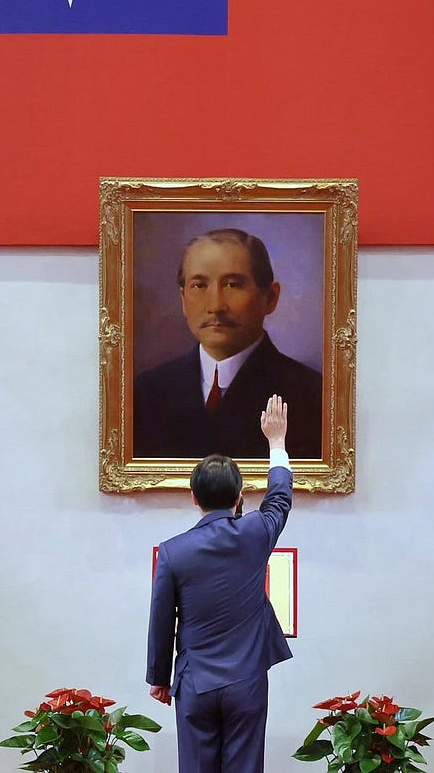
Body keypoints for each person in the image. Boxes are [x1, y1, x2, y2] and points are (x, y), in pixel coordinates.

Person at [146, 395, 293, 773]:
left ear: (193, 497)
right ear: (240, 496)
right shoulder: (255, 531)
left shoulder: (173, 551)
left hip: (195, 683)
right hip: (247, 682)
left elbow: (161, 618)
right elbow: (280, 499)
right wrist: (276, 443)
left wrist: (159, 678)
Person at [134, 228, 322, 459]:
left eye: (233, 285)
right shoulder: (147, 392)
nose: (215, 306)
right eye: (199, 285)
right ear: (183, 299)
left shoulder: (311, 395)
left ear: (270, 298)